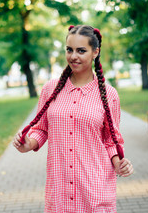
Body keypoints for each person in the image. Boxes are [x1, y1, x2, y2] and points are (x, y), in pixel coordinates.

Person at [13, 25, 133, 213]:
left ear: (95, 52)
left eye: (81, 50)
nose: (73, 56)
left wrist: (120, 164)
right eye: (69, 50)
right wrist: (28, 143)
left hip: (94, 188)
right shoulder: (50, 89)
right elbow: (42, 129)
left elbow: (111, 140)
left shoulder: (109, 95)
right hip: (59, 189)